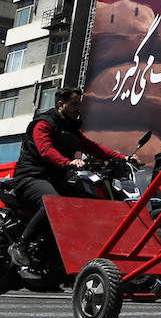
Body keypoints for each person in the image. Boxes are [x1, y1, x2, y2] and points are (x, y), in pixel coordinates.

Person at [7, 88, 130, 271]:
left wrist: (122, 157)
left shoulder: (70, 126)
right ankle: (20, 244)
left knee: (81, 201)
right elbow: (46, 150)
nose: (78, 108)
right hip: (31, 176)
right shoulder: (44, 123)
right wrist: (67, 162)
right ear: (60, 104)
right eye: (75, 104)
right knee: (54, 203)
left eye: (79, 104)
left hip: (57, 177)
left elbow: (92, 146)